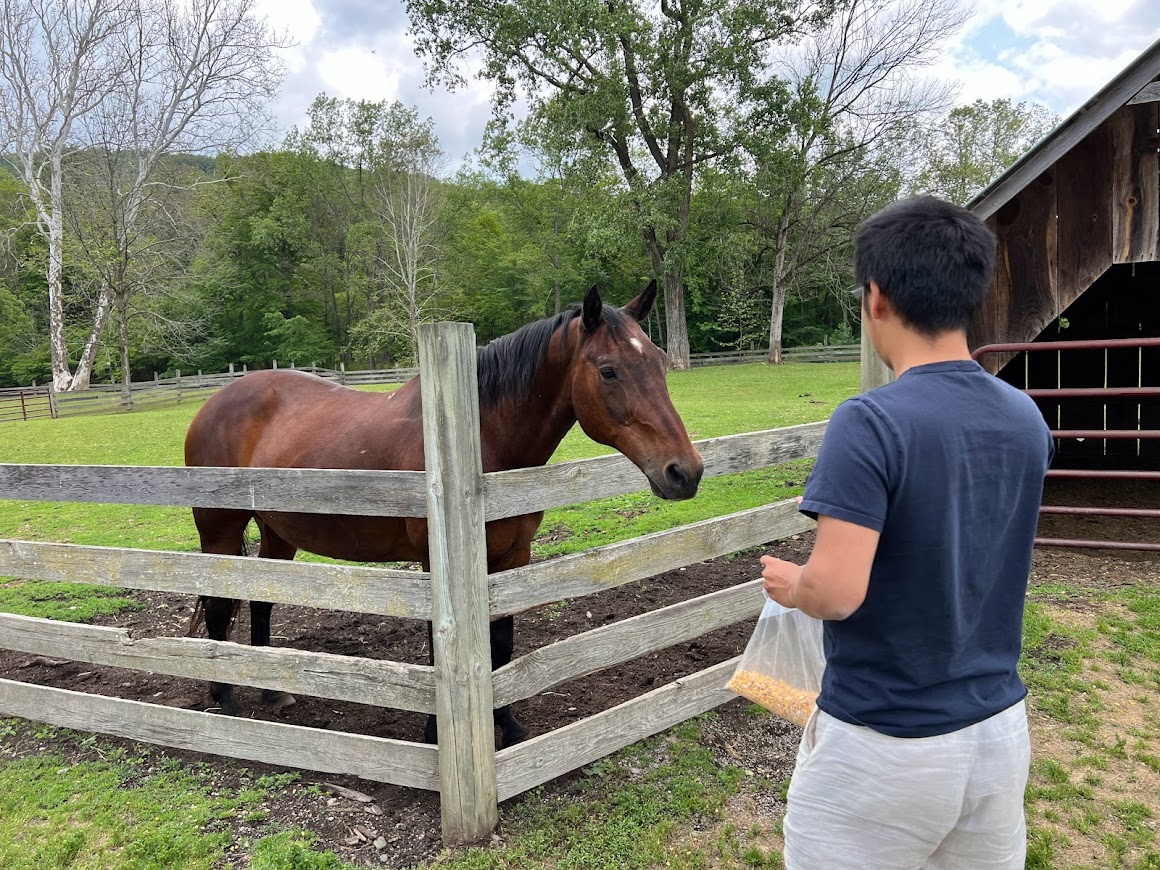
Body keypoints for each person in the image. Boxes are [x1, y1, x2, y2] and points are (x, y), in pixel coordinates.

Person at [760, 195, 1054, 869]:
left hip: (884, 742)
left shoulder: (870, 422)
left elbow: (835, 591)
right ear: (970, 294)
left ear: (876, 297)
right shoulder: (1024, 419)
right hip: (998, 733)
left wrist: (792, 582)